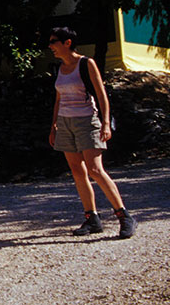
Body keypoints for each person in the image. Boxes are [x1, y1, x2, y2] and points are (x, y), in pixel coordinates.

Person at [47, 26, 137, 239]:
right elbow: (58, 99)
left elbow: (101, 94)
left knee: (95, 170)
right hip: (65, 123)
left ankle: (124, 216)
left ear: (67, 42)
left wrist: (105, 123)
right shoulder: (59, 68)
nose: (50, 46)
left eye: (53, 41)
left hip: (87, 121)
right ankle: (92, 218)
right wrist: (53, 127)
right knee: (77, 171)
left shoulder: (86, 64)